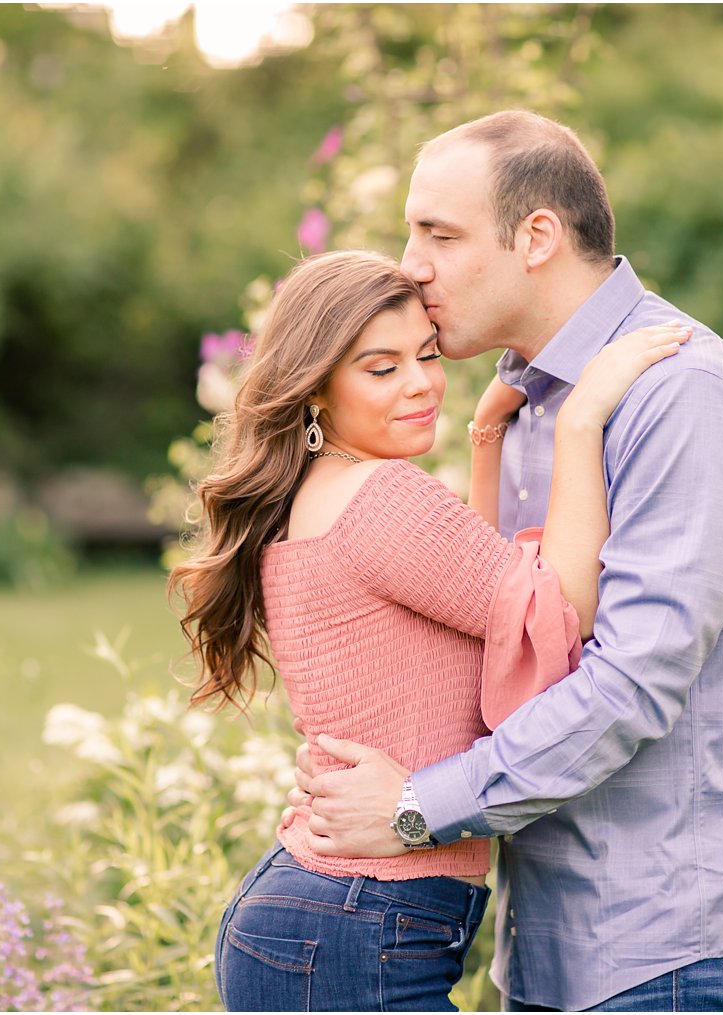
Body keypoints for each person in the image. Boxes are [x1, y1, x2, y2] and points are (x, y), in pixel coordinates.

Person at [289, 110, 723, 1012]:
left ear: (537, 237)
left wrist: (414, 805)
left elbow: (630, 685)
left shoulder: (678, 396)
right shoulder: (531, 401)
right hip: (545, 938)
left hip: (658, 946)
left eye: (439, 235)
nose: (411, 263)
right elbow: (517, 640)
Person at [169, 248, 690, 1011]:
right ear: (314, 390)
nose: (420, 382)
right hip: (358, 923)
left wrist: (485, 443)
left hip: (326, 917)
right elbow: (552, 617)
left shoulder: (324, 493)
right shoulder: (383, 497)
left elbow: (478, 608)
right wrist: (581, 422)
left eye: (425, 354)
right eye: (381, 368)